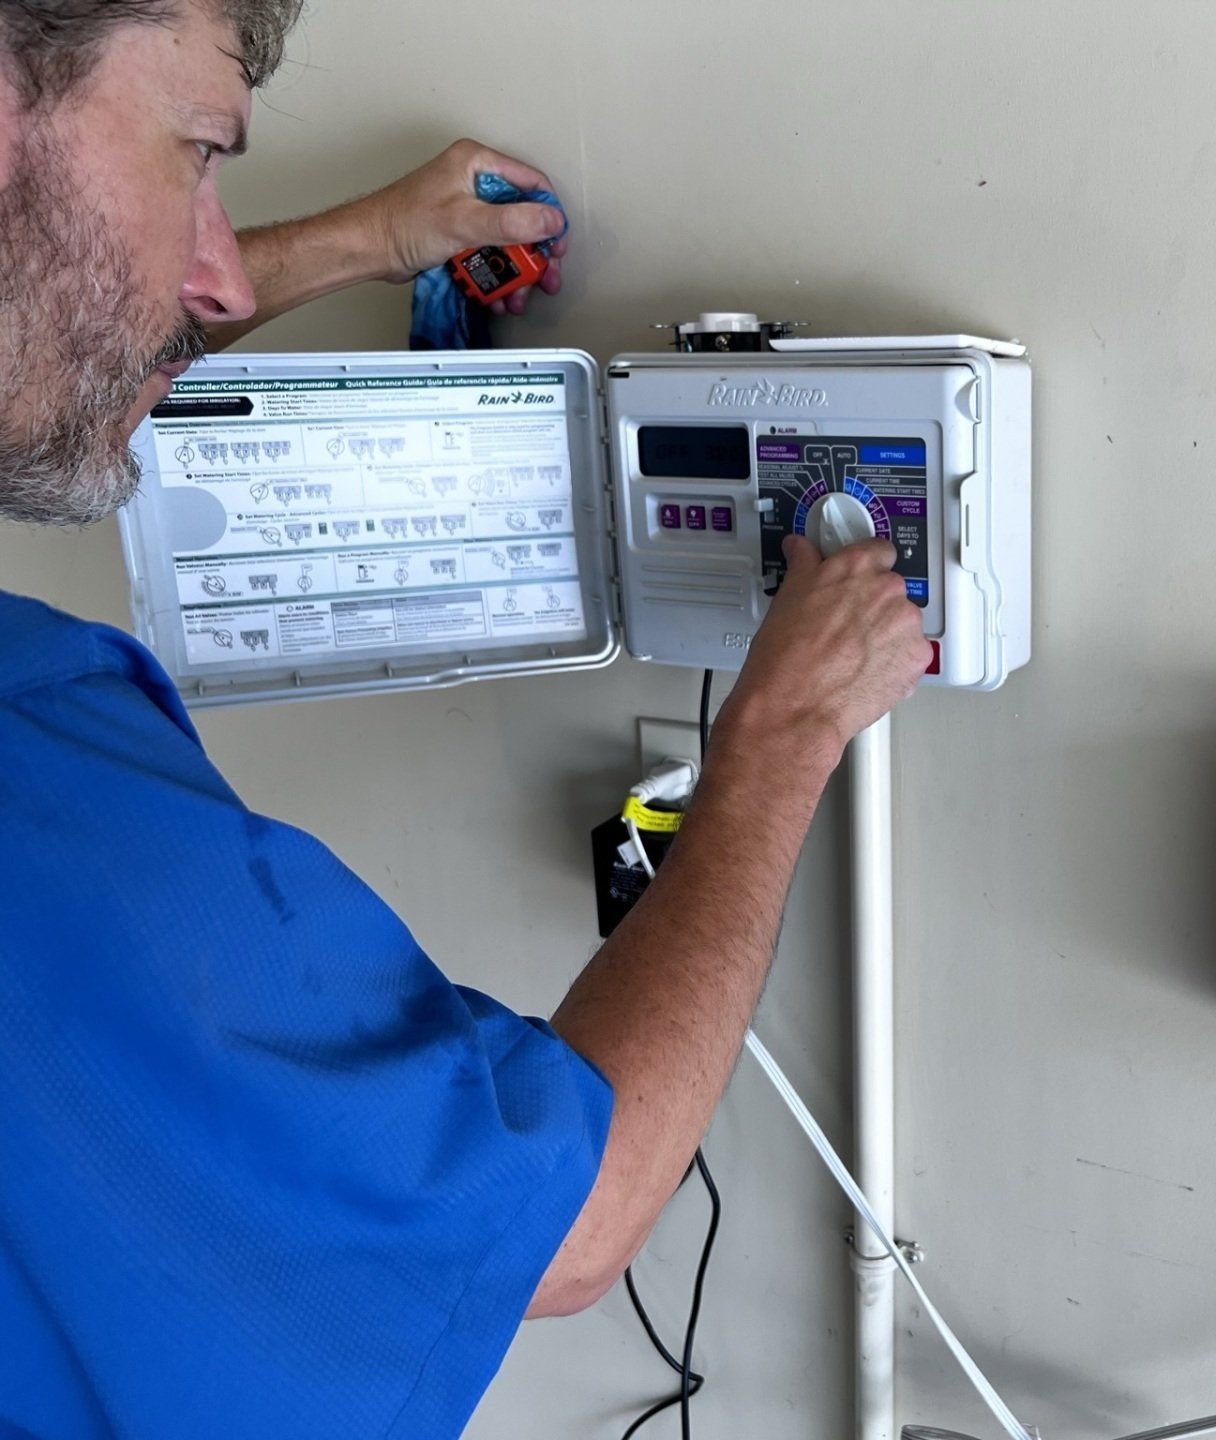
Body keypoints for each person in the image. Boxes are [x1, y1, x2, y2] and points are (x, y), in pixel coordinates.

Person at [0, 3, 932, 1436]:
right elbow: (573, 1223)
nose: (219, 263)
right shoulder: (41, 795)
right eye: (199, 153)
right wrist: (785, 731)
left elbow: (51, 342)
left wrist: (370, 241)